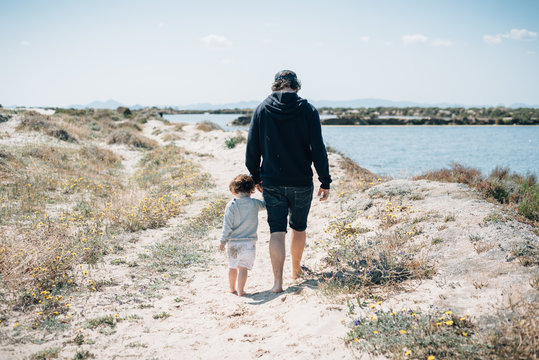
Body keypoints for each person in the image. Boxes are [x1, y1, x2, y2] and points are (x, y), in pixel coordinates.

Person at [245, 70, 332, 293]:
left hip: (272, 181)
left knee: (277, 230)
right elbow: (318, 148)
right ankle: (295, 271)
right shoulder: (308, 110)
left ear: (276, 85)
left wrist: (256, 177)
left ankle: (277, 283)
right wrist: (325, 180)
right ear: (296, 86)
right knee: (299, 227)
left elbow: (251, 149)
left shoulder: (263, 108)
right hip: (301, 181)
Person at [220, 174, 266, 296]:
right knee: (243, 268)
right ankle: (241, 290)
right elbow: (266, 204)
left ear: (234, 190)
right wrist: (263, 191)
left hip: (234, 243)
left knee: (232, 266)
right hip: (249, 243)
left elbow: (227, 225)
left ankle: (231, 288)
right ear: (252, 190)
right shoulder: (254, 203)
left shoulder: (231, 205)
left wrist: (223, 240)